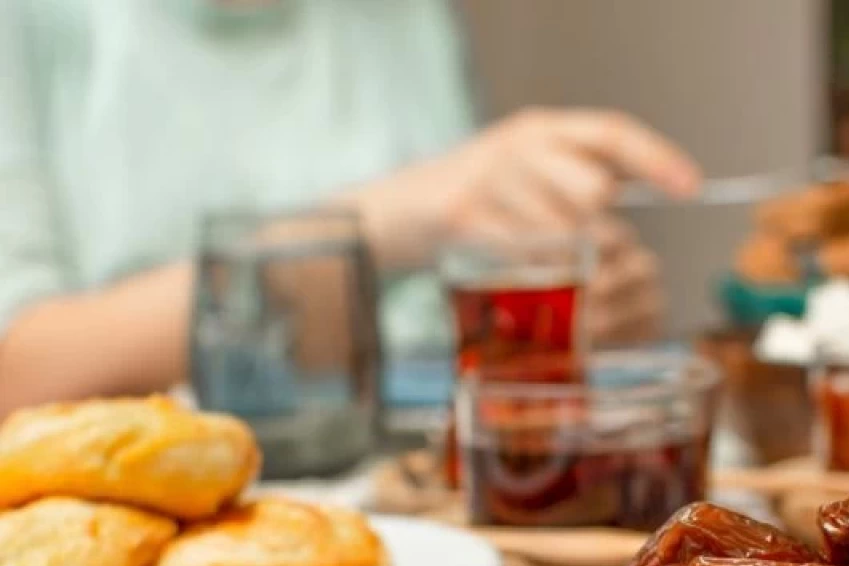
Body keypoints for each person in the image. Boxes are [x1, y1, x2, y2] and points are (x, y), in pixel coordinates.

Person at [0, 0, 701, 415]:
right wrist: (390, 219)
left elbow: (434, 331)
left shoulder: (400, 17)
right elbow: (19, 372)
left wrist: (560, 317)